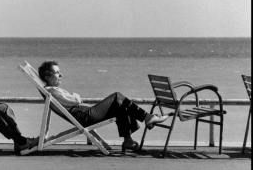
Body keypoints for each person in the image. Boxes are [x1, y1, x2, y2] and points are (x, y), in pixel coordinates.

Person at [37, 61, 169, 151]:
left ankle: (128, 140)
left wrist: (75, 97)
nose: (61, 75)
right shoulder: (52, 91)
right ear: (48, 76)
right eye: (57, 73)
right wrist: (76, 96)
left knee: (121, 106)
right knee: (117, 96)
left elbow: (73, 100)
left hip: (84, 114)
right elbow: (75, 100)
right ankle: (147, 117)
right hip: (84, 117)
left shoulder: (52, 90)